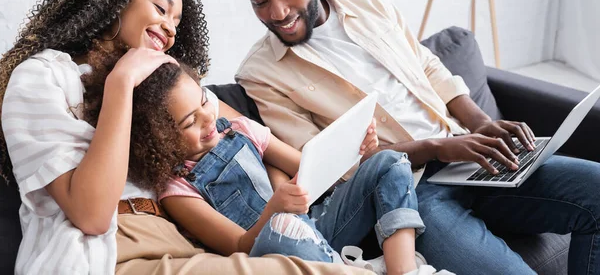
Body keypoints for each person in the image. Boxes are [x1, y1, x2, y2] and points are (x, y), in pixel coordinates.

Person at [233, 0, 600, 275]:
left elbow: (428, 67)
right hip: (413, 192)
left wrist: (480, 124)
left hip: (474, 159)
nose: (278, 13)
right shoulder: (261, 72)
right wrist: (440, 147)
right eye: (260, 2)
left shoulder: (368, 3)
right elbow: (328, 167)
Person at [0, 0, 369, 275]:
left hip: (183, 242)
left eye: (176, 23)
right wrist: (121, 83)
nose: (170, 29)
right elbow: (93, 216)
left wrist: (349, 154)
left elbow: (248, 136)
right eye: (160, 8)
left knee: (303, 261)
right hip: (112, 254)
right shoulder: (41, 77)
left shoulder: (161, 85)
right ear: (114, 0)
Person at [81, 48, 439, 275]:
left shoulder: (238, 127)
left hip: (317, 221)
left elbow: (313, 169)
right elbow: (240, 247)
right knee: (288, 229)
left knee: (391, 161)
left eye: (204, 102)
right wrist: (274, 211)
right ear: (157, 141)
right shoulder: (176, 191)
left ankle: (402, 269)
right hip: (280, 244)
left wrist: (356, 150)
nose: (208, 120)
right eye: (189, 121)